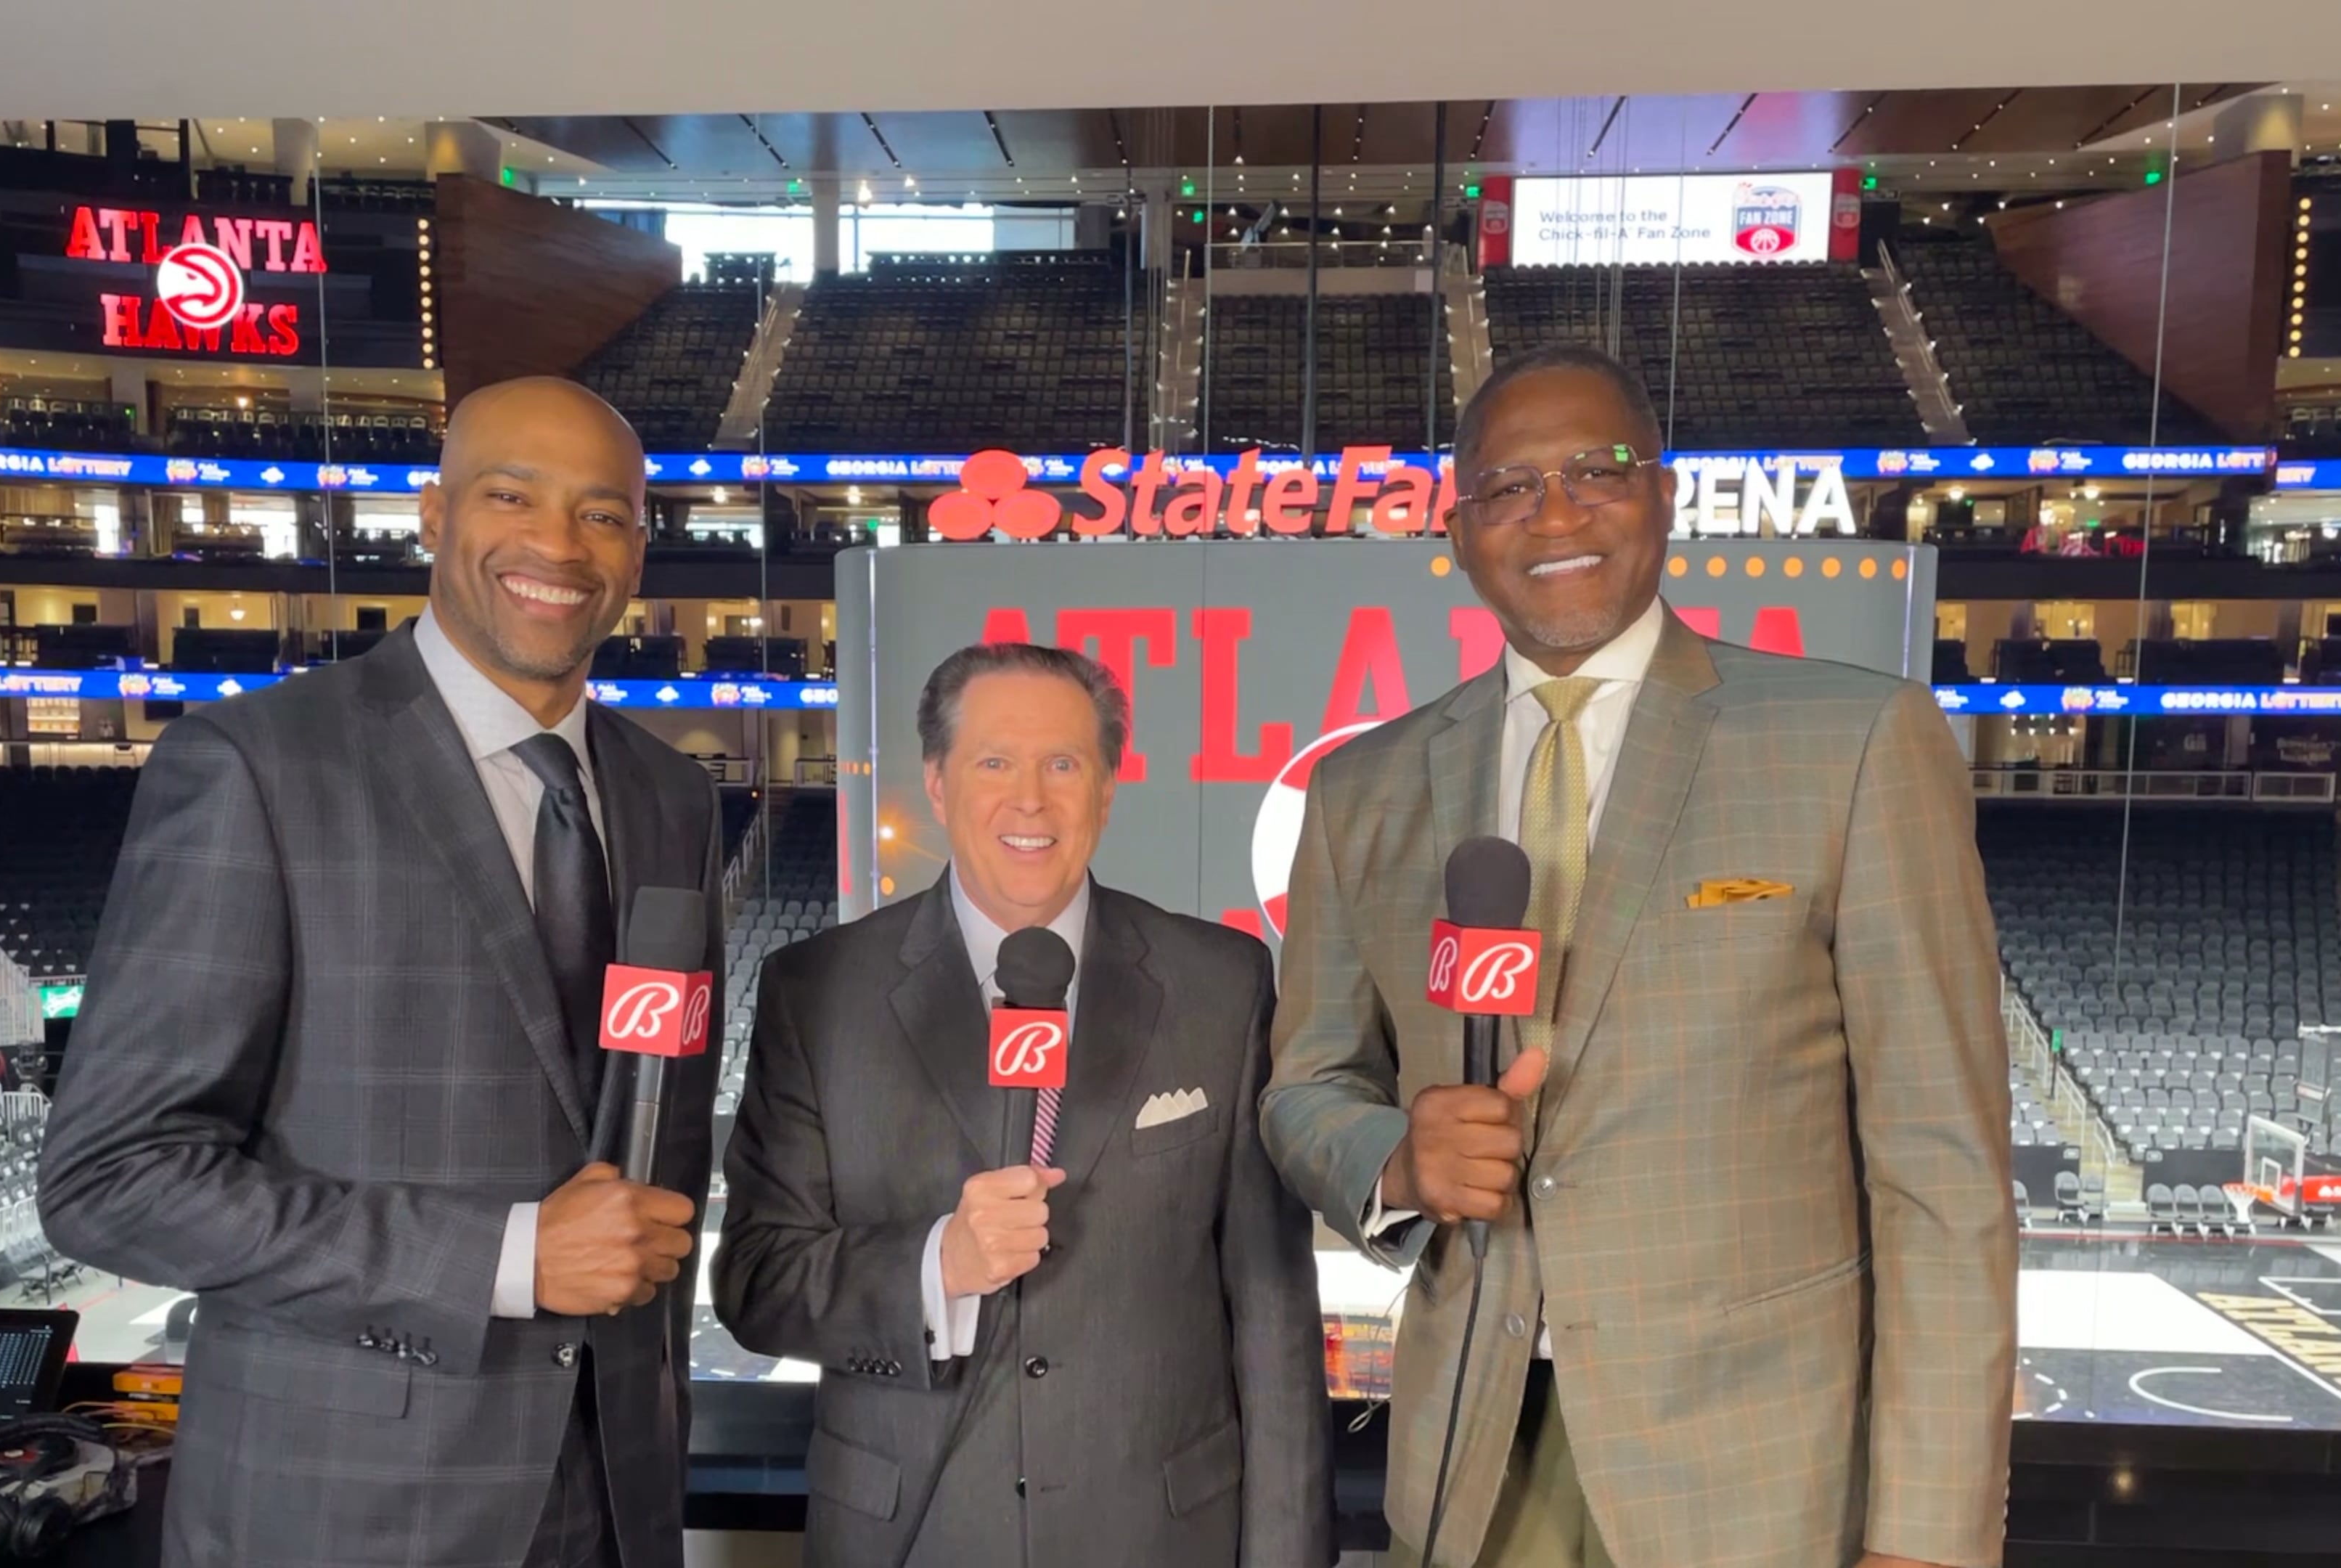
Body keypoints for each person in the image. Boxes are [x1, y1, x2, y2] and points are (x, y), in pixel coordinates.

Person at [1260, 345, 2015, 1568]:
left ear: (1664, 497)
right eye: (1508, 488)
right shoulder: (1366, 789)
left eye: (1595, 473)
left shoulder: (1856, 744)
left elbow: (1944, 1171)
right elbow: (1307, 1088)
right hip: (1473, 1465)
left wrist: (1929, 1531)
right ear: (1458, 530)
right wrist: (1397, 1159)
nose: (1553, 514)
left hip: (1763, 1482)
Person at [37, 377, 723, 1568]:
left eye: (604, 515)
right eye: (513, 496)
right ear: (434, 513)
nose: (559, 546)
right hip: (347, 1510)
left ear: (641, 550)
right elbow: (112, 1177)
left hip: (613, 1490)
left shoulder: (672, 796)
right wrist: (506, 1258)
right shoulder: (257, 766)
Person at [713, 642, 1331, 1568]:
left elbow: (1273, 1306)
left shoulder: (1221, 982)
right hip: (912, 1531)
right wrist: (936, 1266)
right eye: (994, 762)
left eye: (1064, 764)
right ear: (936, 780)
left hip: (1163, 1533)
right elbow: (758, 1284)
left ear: (1108, 787)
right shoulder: (818, 990)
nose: (1031, 799)